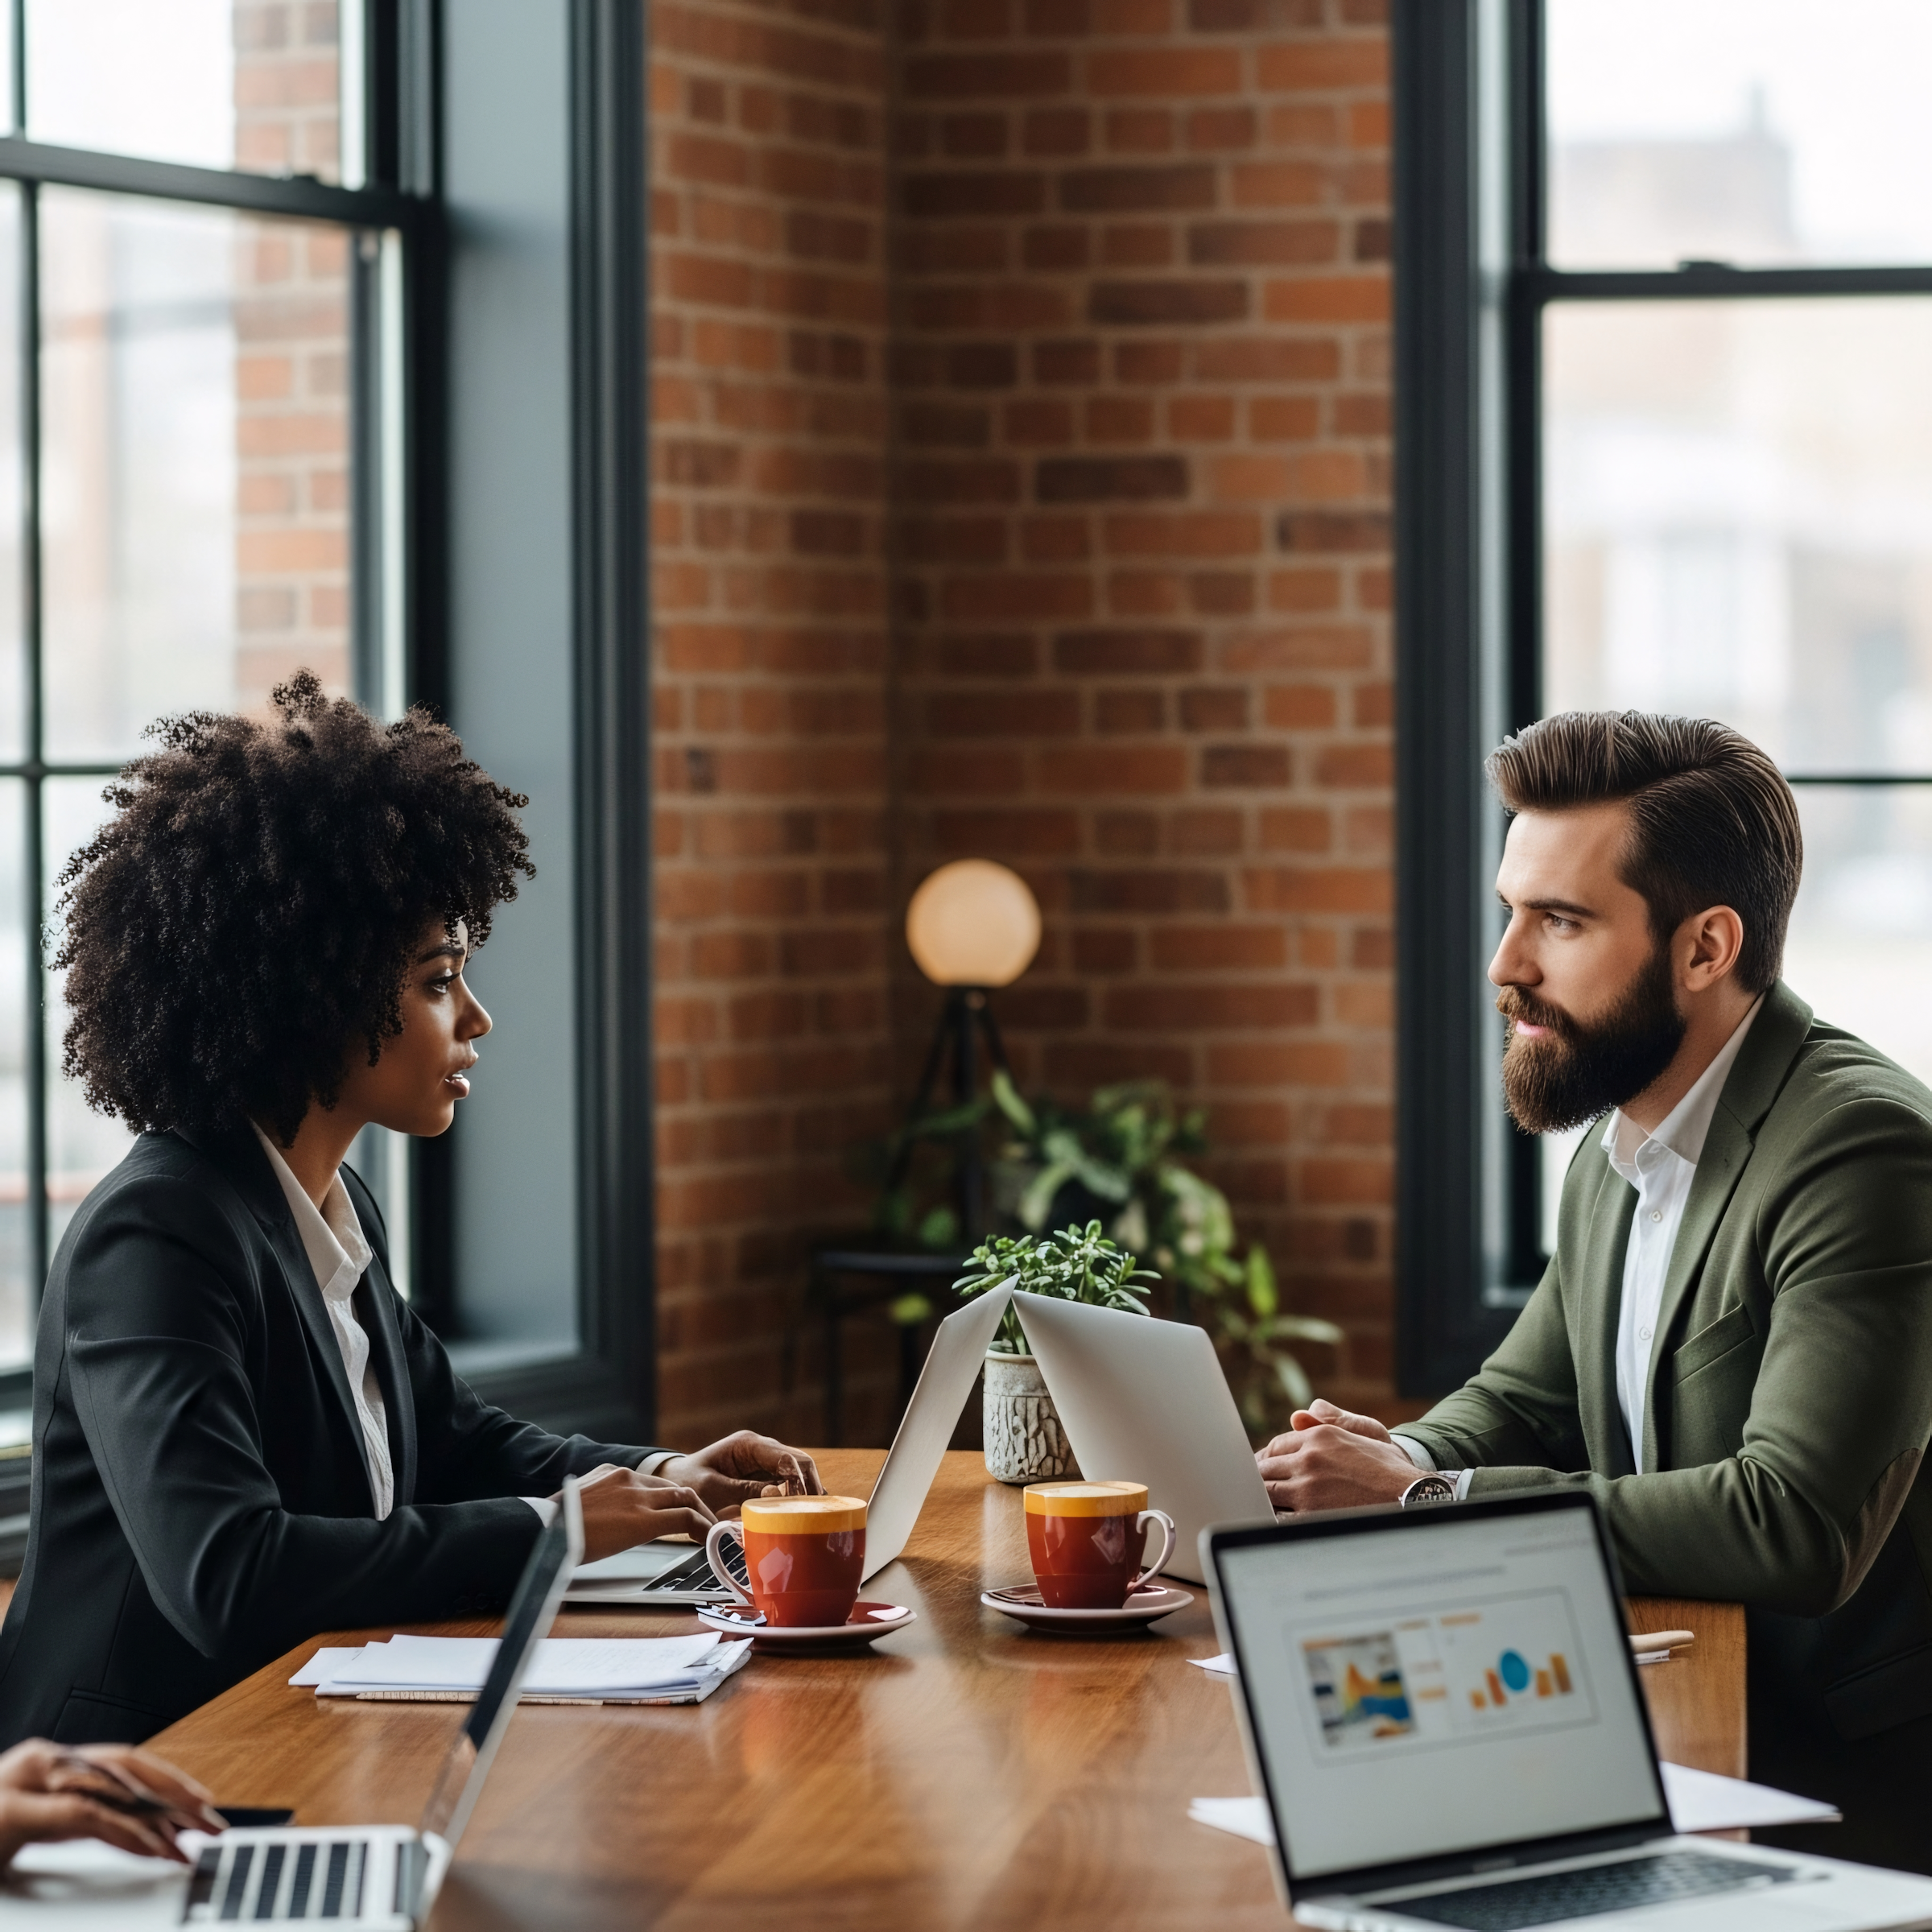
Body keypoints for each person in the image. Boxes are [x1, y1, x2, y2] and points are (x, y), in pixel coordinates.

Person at [0, 674, 822, 1748]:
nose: (476, 1017)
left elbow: (452, 1437)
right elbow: (226, 1572)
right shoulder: (155, 1235)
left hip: (295, 1726)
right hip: (139, 1772)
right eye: (439, 981)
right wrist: (560, 1530)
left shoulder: (331, 1206)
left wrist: (664, 1481)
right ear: (316, 993)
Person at [1256, 710, 1932, 1870]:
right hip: (1656, 1709)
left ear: (1705, 949)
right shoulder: (1623, 1137)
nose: (1505, 965)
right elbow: (1523, 1395)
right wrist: (1394, 1462)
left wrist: (1426, 1503)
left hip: (1835, 1776)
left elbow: (1794, 1525)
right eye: (1509, 910)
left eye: (1560, 922)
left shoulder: (1862, 1150)